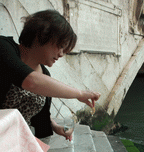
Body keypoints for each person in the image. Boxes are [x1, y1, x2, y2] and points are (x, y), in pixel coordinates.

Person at [0, 9, 100, 140]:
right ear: (41, 35)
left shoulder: (45, 74)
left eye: (64, 49)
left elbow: (41, 115)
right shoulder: (4, 48)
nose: (61, 53)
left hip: (15, 141)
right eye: (59, 46)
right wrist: (79, 94)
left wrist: (55, 126)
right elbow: (31, 81)